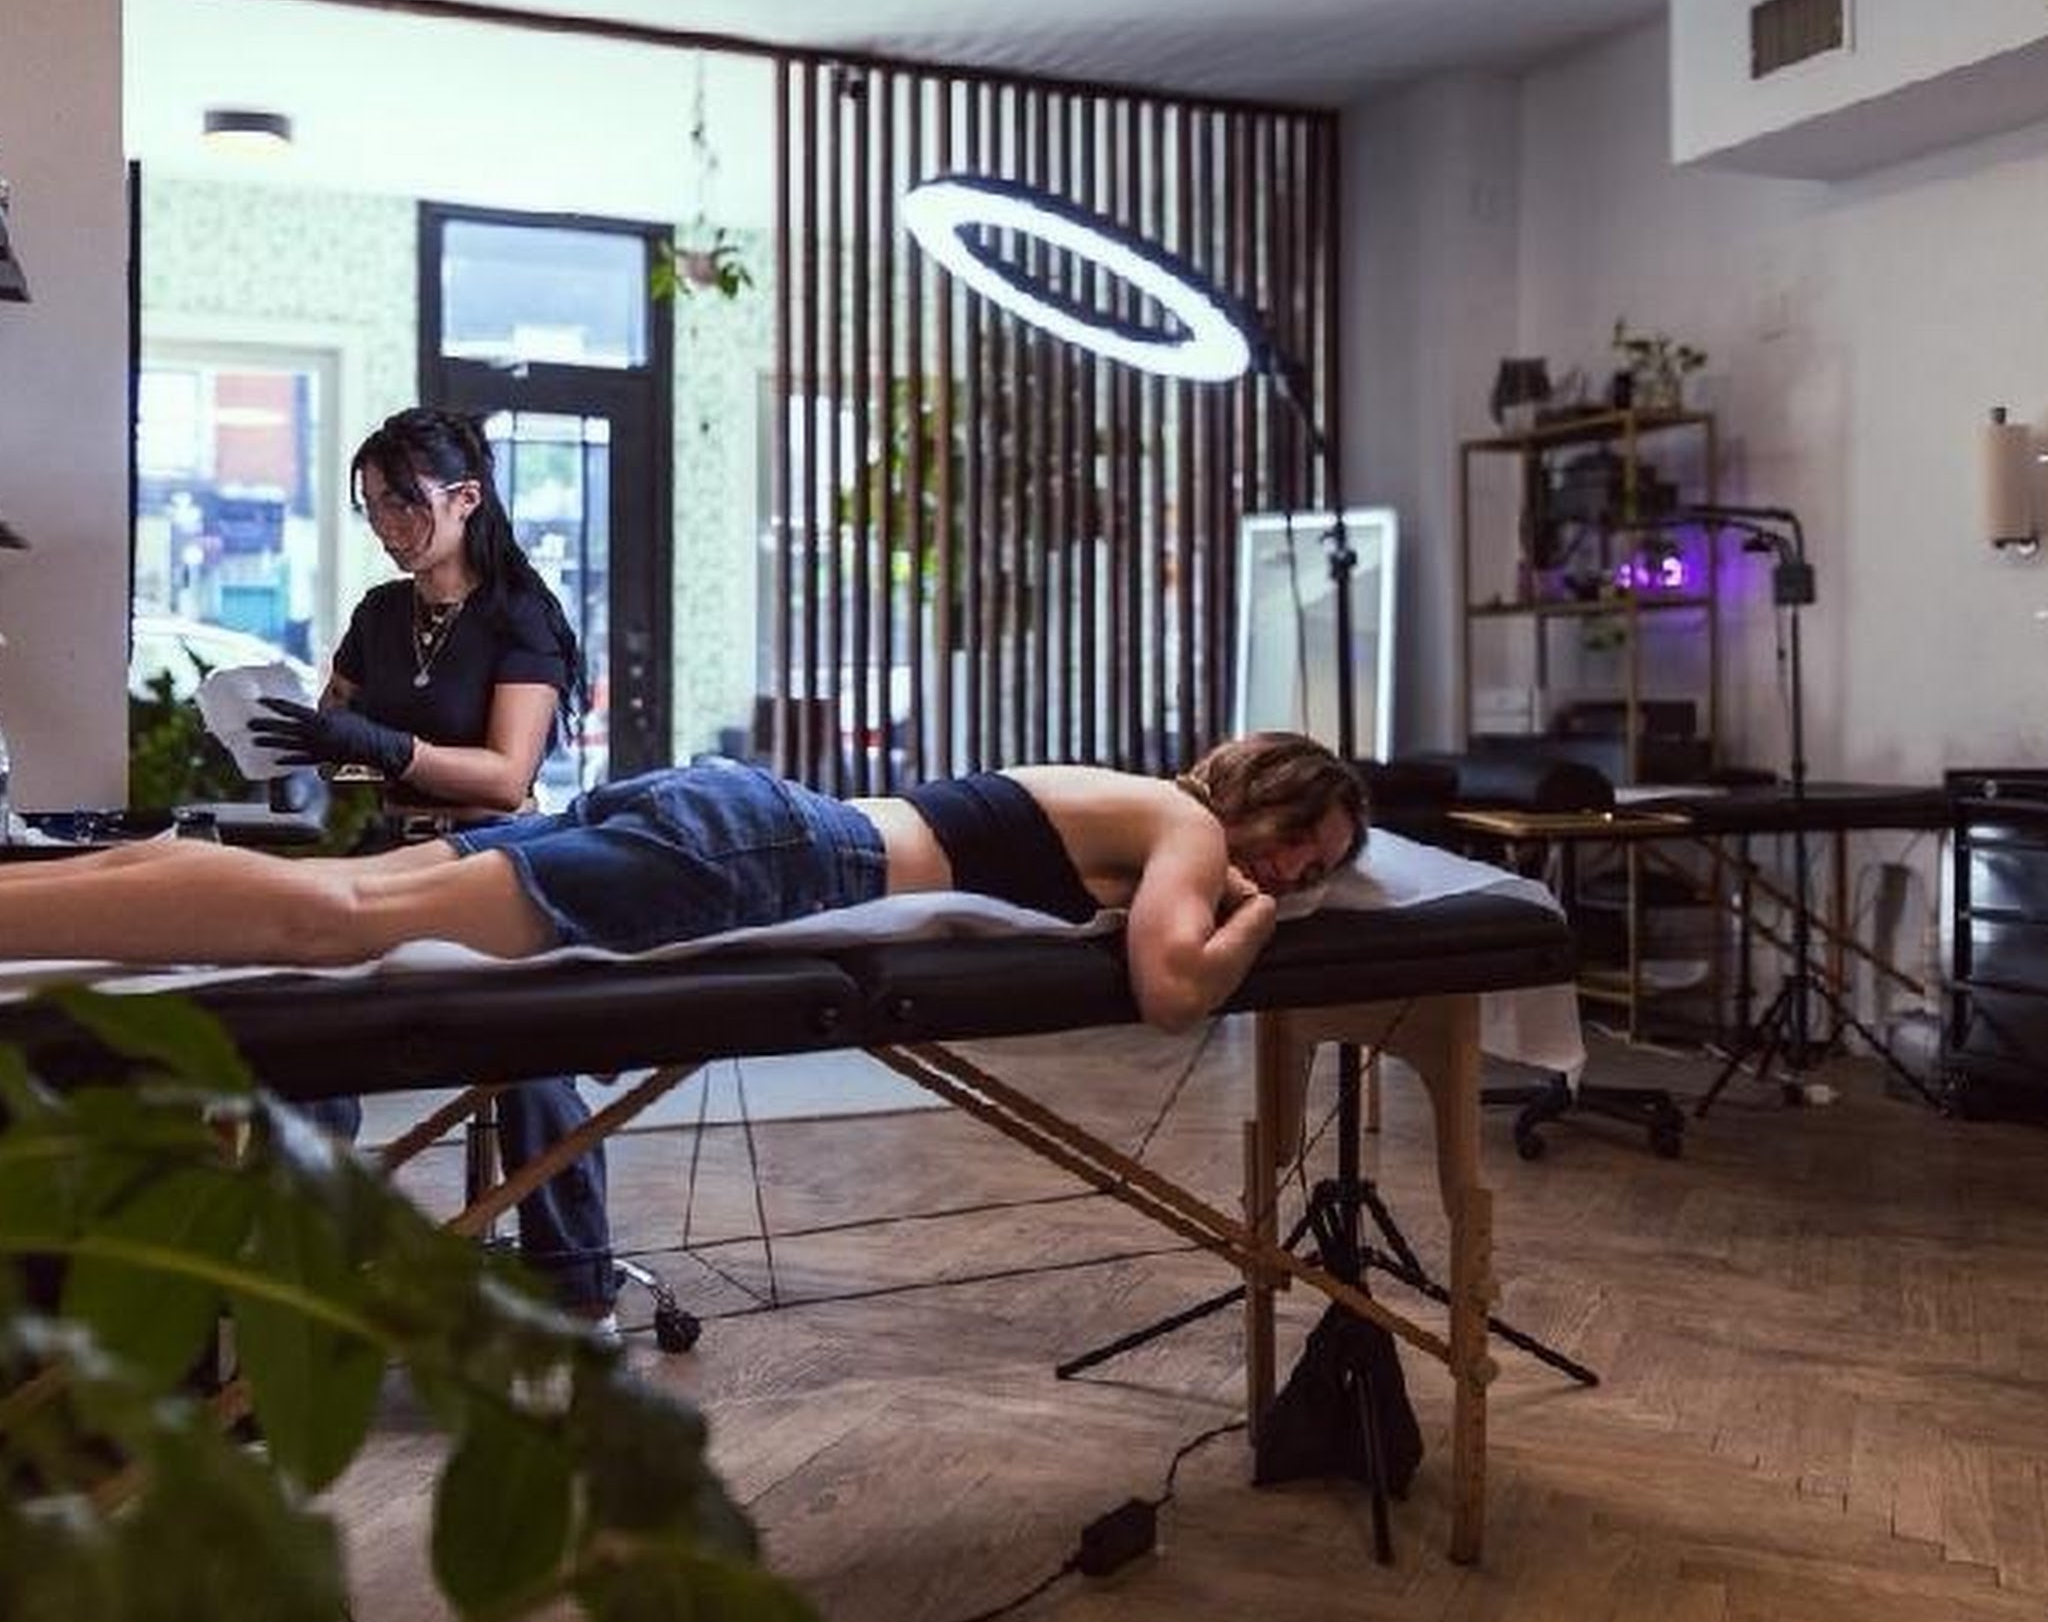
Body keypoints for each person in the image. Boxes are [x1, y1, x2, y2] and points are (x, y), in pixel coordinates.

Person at [0, 733, 1366, 1034]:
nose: (1292, 873)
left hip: (738, 812)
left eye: (1313, 874)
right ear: (1263, 797)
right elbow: (1172, 991)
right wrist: (1255, 917)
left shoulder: (1126, 793)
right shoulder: (1188, 833)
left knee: (338, 890)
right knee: (339, 924)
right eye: (1299, 846)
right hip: (769, 851)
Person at [249, 408, 618, 1325]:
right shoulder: (380, 615)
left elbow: (505, 776)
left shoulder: (519, 613)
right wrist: (300, 746)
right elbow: (338, 740)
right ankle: (313, 1287)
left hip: (499, 859)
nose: (387, 526)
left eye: (403, 504)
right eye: (373, 507)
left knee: (535, 1061)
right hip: (397, 858)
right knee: (304, 1037)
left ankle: (579, 1293)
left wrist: (383, 745)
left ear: (466, 498)